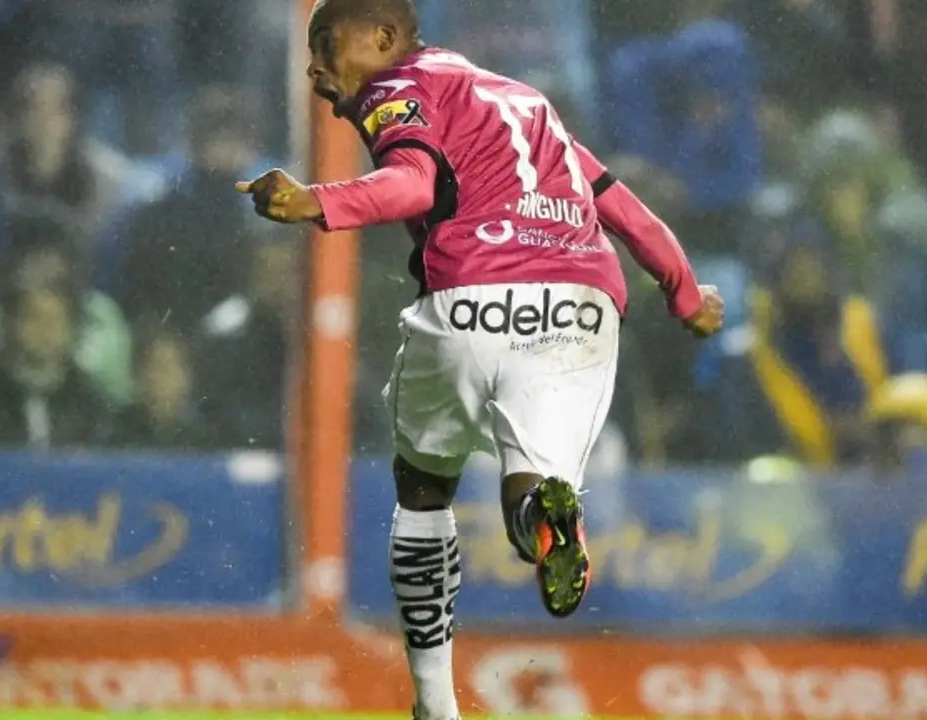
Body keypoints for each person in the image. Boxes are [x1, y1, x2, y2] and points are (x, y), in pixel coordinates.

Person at [237, 2, 724, 719]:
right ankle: (546, 518)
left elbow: (413, 185)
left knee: (424, 491)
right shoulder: (527, 103)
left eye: (325, 44)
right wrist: (685, 294)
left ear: (384, 40)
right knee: (530, 485)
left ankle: (435, 703)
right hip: (581, 306)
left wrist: (315, 201)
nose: (314, 64)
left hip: (471, 299)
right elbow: (622, 207)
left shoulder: (397, 90)